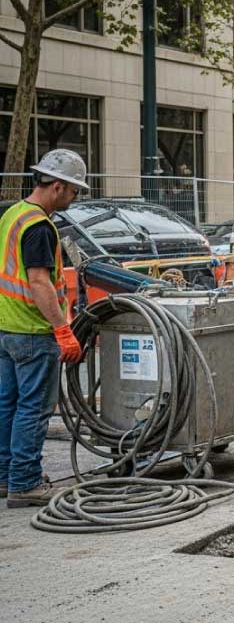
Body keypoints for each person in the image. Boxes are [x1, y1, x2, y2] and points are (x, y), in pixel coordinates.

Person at [0, 149, 88, 507]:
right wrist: (62, 329)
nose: (75, 197)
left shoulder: (13, 215)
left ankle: (6, 477)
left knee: (8, 404)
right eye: (73, 190)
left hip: (7, 327)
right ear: (56, 186)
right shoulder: (39, 227)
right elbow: (39, 282)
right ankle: (25, 483)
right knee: (33, 409)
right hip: (33, 331)